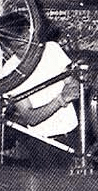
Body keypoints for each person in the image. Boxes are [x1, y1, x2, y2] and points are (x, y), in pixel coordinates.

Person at [0, 13, 80, 169]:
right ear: (8, 47)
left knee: (81, 188)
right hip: (43, 144)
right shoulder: (10, 73)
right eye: (21, 47)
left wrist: (74, 86)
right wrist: (61, 100)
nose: (29, 48)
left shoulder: (51, 49)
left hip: (73, 135)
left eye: (28, 39)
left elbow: (73, 86)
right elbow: (30, 117)